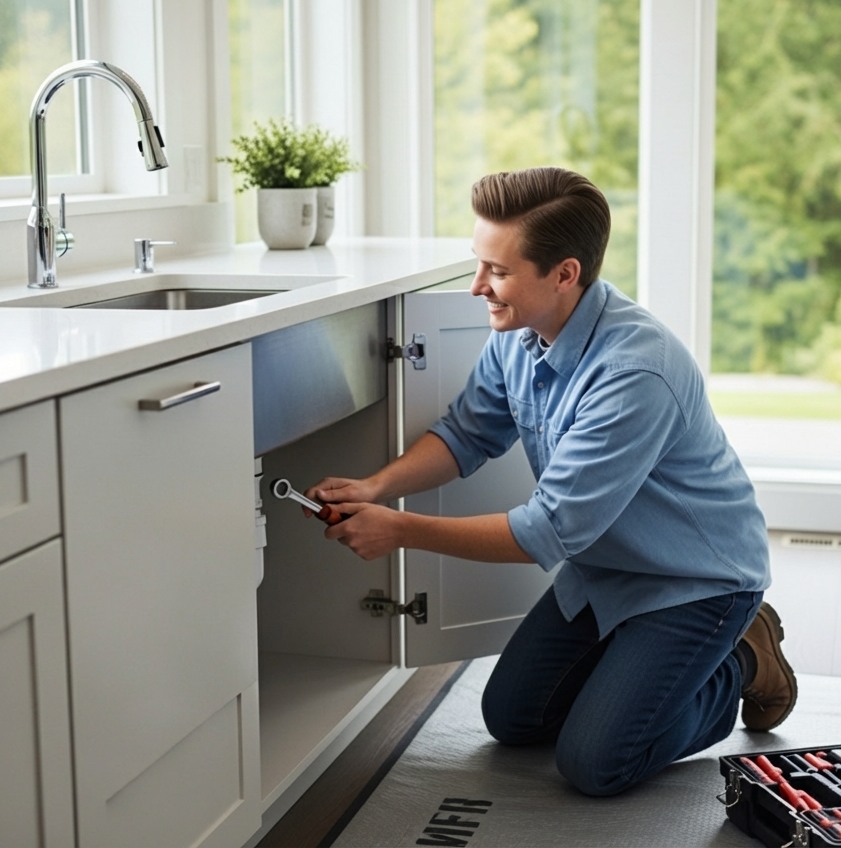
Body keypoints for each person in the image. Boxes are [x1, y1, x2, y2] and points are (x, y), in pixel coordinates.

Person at [304, 166, 796, 796]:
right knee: (511, 720)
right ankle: (643, 670)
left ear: (564, 274)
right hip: (606, 569)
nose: (478, 286)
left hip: (694, 581)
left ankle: (743, 662)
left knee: (595, 764)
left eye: (498, 272)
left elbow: (545, 532)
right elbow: (467, 434)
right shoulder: (522, 333)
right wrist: (376, 487)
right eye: (479, 265)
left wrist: (398, 530)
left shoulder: (634, 373)